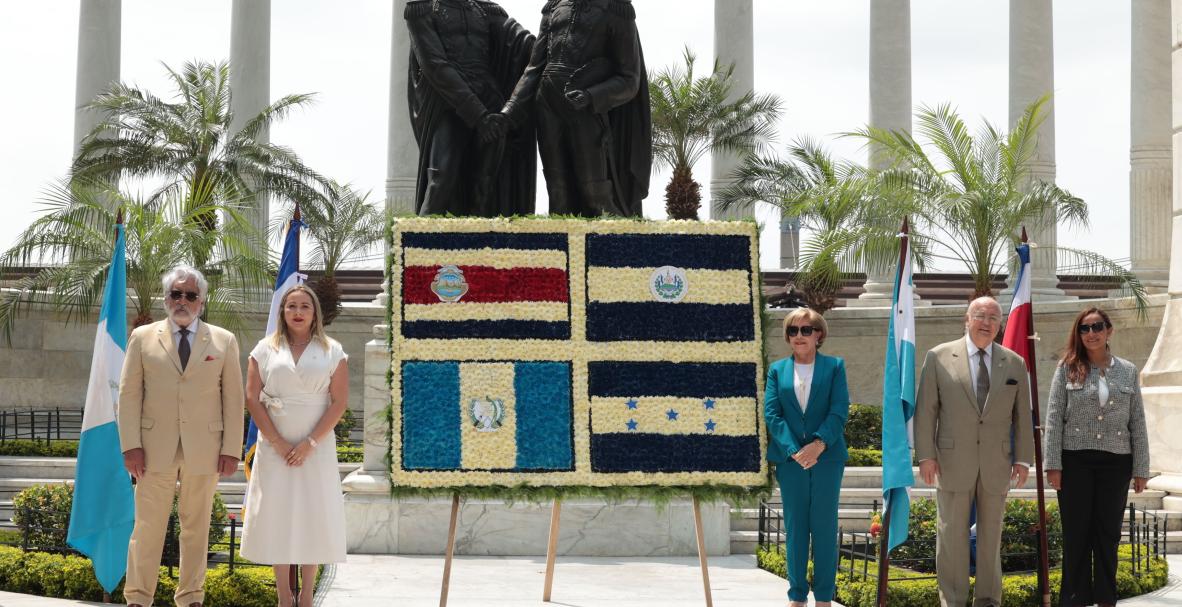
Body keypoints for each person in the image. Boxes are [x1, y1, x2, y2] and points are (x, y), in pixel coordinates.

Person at [118, 266, 245, 607]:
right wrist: (131, 446)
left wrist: (232, 448)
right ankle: (138, 597)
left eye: (190, 295)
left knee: (197, 528)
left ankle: (191, 597)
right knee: (147, 528)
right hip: (152, 450)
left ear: (202, 301)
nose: (183, 301)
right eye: (176, 294)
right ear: (165, 298)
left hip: (204, 450)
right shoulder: (143, 337)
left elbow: (234, 399)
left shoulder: (223, 340)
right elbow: (129, 395)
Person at [915, 296, 1034, 607]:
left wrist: (1023, 459)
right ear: (966, 320)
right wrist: (926, 456)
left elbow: (1023, 416)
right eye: (980, 315)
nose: (986, 322)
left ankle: (988, 600)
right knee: (951, 537)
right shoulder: (938, 357)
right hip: (952, 462)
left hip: (997, 463)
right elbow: (926, 411)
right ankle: (952, 601)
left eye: (994, 317)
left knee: (991, 537)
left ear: (1000, 324)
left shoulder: (1014, 363)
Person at [240, 284, 349, 607]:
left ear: (314, 312)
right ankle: (283, 595)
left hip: (316, 448)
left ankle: (307, 593)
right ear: (282, 312)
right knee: (279, 513)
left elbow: (339, 401)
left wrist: (310, 443)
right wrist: (276, 441)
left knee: (312, 513)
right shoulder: (264, 349)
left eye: (304, 306)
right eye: (291, 307)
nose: (298, 312)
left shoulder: (333, 350)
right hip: (275, 446)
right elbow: (251, 397)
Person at [500, 0, 651, 217]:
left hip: (585, 109)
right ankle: (559, 249)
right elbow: (534, 69)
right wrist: (509, 111)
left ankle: (624, 246)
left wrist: (592, 96)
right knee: (557, 192)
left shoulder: (617, 9)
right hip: (547, 106)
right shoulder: (553, 8)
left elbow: (630, 80)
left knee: (595, 193)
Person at [1044, 307, 1150, 607]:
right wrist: (1053, 465)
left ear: (1109, 331)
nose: (1091, 333)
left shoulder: (1128, 370)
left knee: (1108, 535)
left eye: (1097, 327)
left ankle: (1106, 599)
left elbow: (1138, 422)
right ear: (1078, 334)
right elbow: (1053, 419)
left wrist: (1141, 468)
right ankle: (1074, 599)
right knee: (1076, 534)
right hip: (1075, 461)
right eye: (1085, 328)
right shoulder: (1067, 367)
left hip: (1116, 463)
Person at [405, 0, 537, 217]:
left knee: (486, 186)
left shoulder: (486, 11)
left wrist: (552, 43)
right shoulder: (421, 10)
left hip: (490, 101)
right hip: (449, 104)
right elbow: (435, 65)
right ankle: (421, 246)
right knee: (441, 176)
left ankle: (481, 243)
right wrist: (479, 116)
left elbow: (523, 43)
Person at [764, 308, 850, 607]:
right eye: (792, 330)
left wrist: (819, 444)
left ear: (818, 334)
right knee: (796, 529)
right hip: (791, 462)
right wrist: (794, 451)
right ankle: (797, 597)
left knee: (824, 529)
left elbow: (839, 410)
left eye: (805, 329)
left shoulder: (835, 367)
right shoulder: (777, 370)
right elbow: (772, 414)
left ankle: (824, 598)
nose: (798, 335)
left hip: (827, 459)